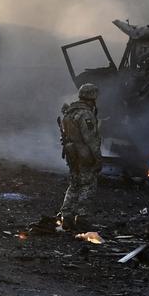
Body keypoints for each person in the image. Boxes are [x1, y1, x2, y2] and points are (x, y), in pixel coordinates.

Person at [58, 83, 102, 231]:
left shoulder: (70, 112)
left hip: (72, 154)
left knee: (74, 184)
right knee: (88, 185)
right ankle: (82, 218)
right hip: (84, 154)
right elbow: (91, 139)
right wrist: (97, 158)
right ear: (92, 97)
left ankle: (66, 216)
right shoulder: (86, 114)